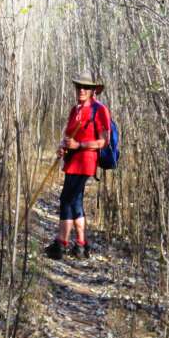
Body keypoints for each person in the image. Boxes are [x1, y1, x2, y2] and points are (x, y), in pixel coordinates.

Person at [45, 74, 111, 260]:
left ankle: (61, 243)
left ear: (93, 91)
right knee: (75, 201)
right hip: (72, 161)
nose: (82, 90)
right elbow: (68, 137)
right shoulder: (75, 110)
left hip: (85, 162)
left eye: (86, 87)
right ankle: (81, 245)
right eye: (79, 87)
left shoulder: (99, 110)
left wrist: (79, 146)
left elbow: (103, 141)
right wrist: (63, 148)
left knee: (66, 199)